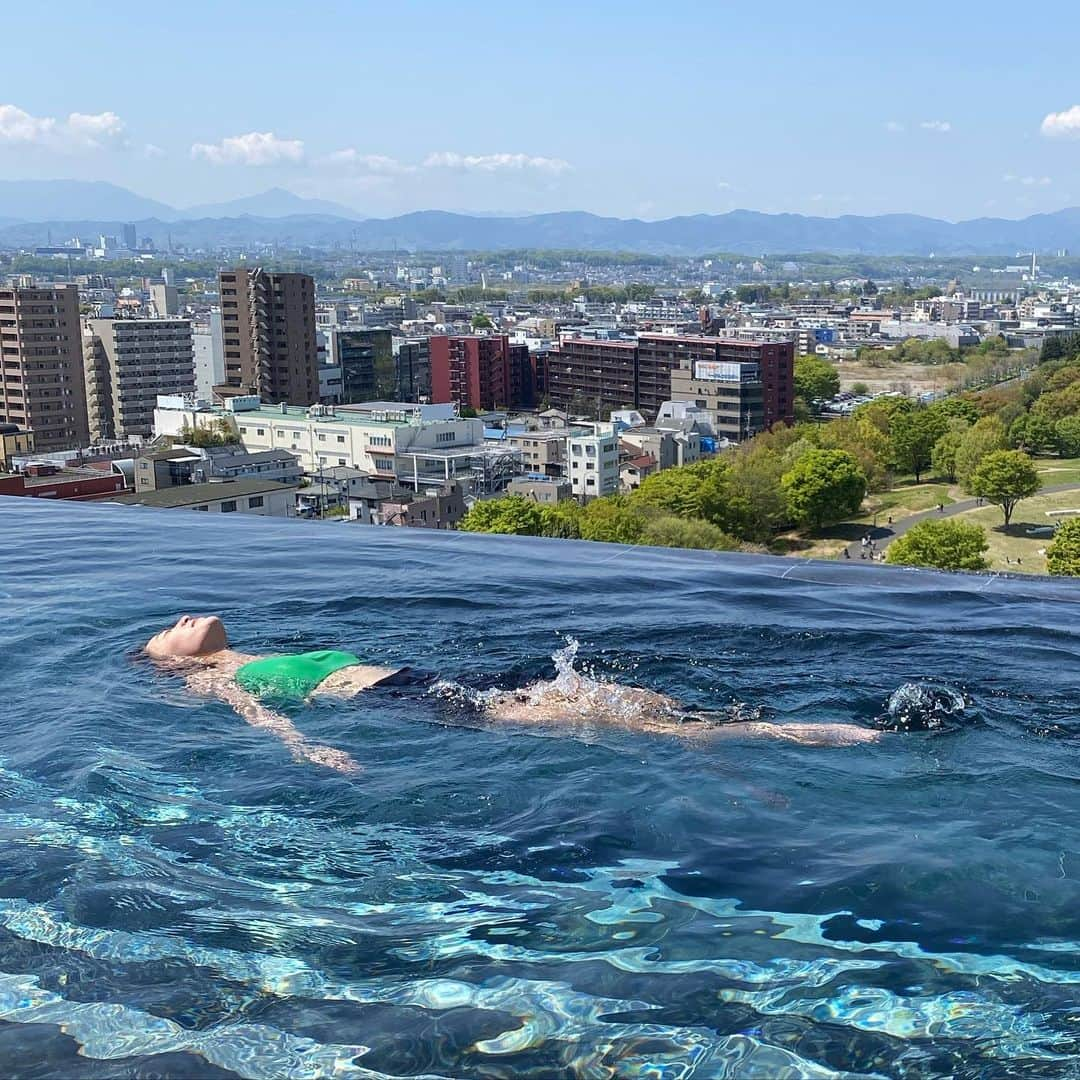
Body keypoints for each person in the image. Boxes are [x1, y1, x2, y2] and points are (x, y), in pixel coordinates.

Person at [144, 615, 883, 772]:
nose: (179, 621)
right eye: (164, 634)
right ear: (176, 665)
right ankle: (776, 736)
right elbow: (262, 719)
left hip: (420, 682)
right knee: (600, 715)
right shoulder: (224, 678)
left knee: (609, 692)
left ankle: (719, 731)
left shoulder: (264, 647)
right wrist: (315, 750)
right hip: (397, 704)